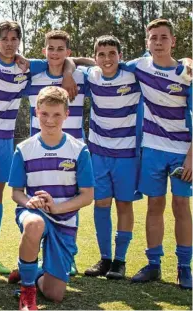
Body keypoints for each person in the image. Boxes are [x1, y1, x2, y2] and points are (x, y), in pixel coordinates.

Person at [121, 19, 192, 289]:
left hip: (183, 152)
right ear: (147, 42)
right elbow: (103, 62)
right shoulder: (140, 66)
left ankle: (184, 268)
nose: (159, 42)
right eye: (154, 38)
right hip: (152, 148)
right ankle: (153, 264)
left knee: (181, 206)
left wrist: (191, 157)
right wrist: (68, 66)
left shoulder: (187, 73)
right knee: (154, 206)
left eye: (164, 37)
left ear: (173, 41)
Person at [9, 86, 94, 309]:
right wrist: (29, 202)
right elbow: (15, 192)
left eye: (57, 114)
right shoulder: (24, 149)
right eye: (45, 113)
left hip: (64, 219)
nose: (50, 120)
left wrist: (56, 208)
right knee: (35, 223)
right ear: (37, 112)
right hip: (33, 213)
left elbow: (87, 196)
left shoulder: (79, 150)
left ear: (67, 114)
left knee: (55, 294)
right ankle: (27, 290)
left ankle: (29, 269)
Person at [82, 35, 142, 280]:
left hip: (127, 153)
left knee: (124, 205)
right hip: (98, 152)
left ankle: (120, 260)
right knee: (101, 204)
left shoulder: (134, 75)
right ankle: (105, 259)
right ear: (96, 58)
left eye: (112, 53)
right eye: (102, 54)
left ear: (120, 55)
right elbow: (71, 61)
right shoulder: (91, 75)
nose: (107, 59)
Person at [25, 30, 87, 140]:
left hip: (74, 148)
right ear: (44, 51)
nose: (55, 53)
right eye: (51, 48)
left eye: (60, 49)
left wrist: (68, 73)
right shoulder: (32, 78)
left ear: (68, 53)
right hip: (39, 149)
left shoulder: (81, 77)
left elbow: (100, 65)